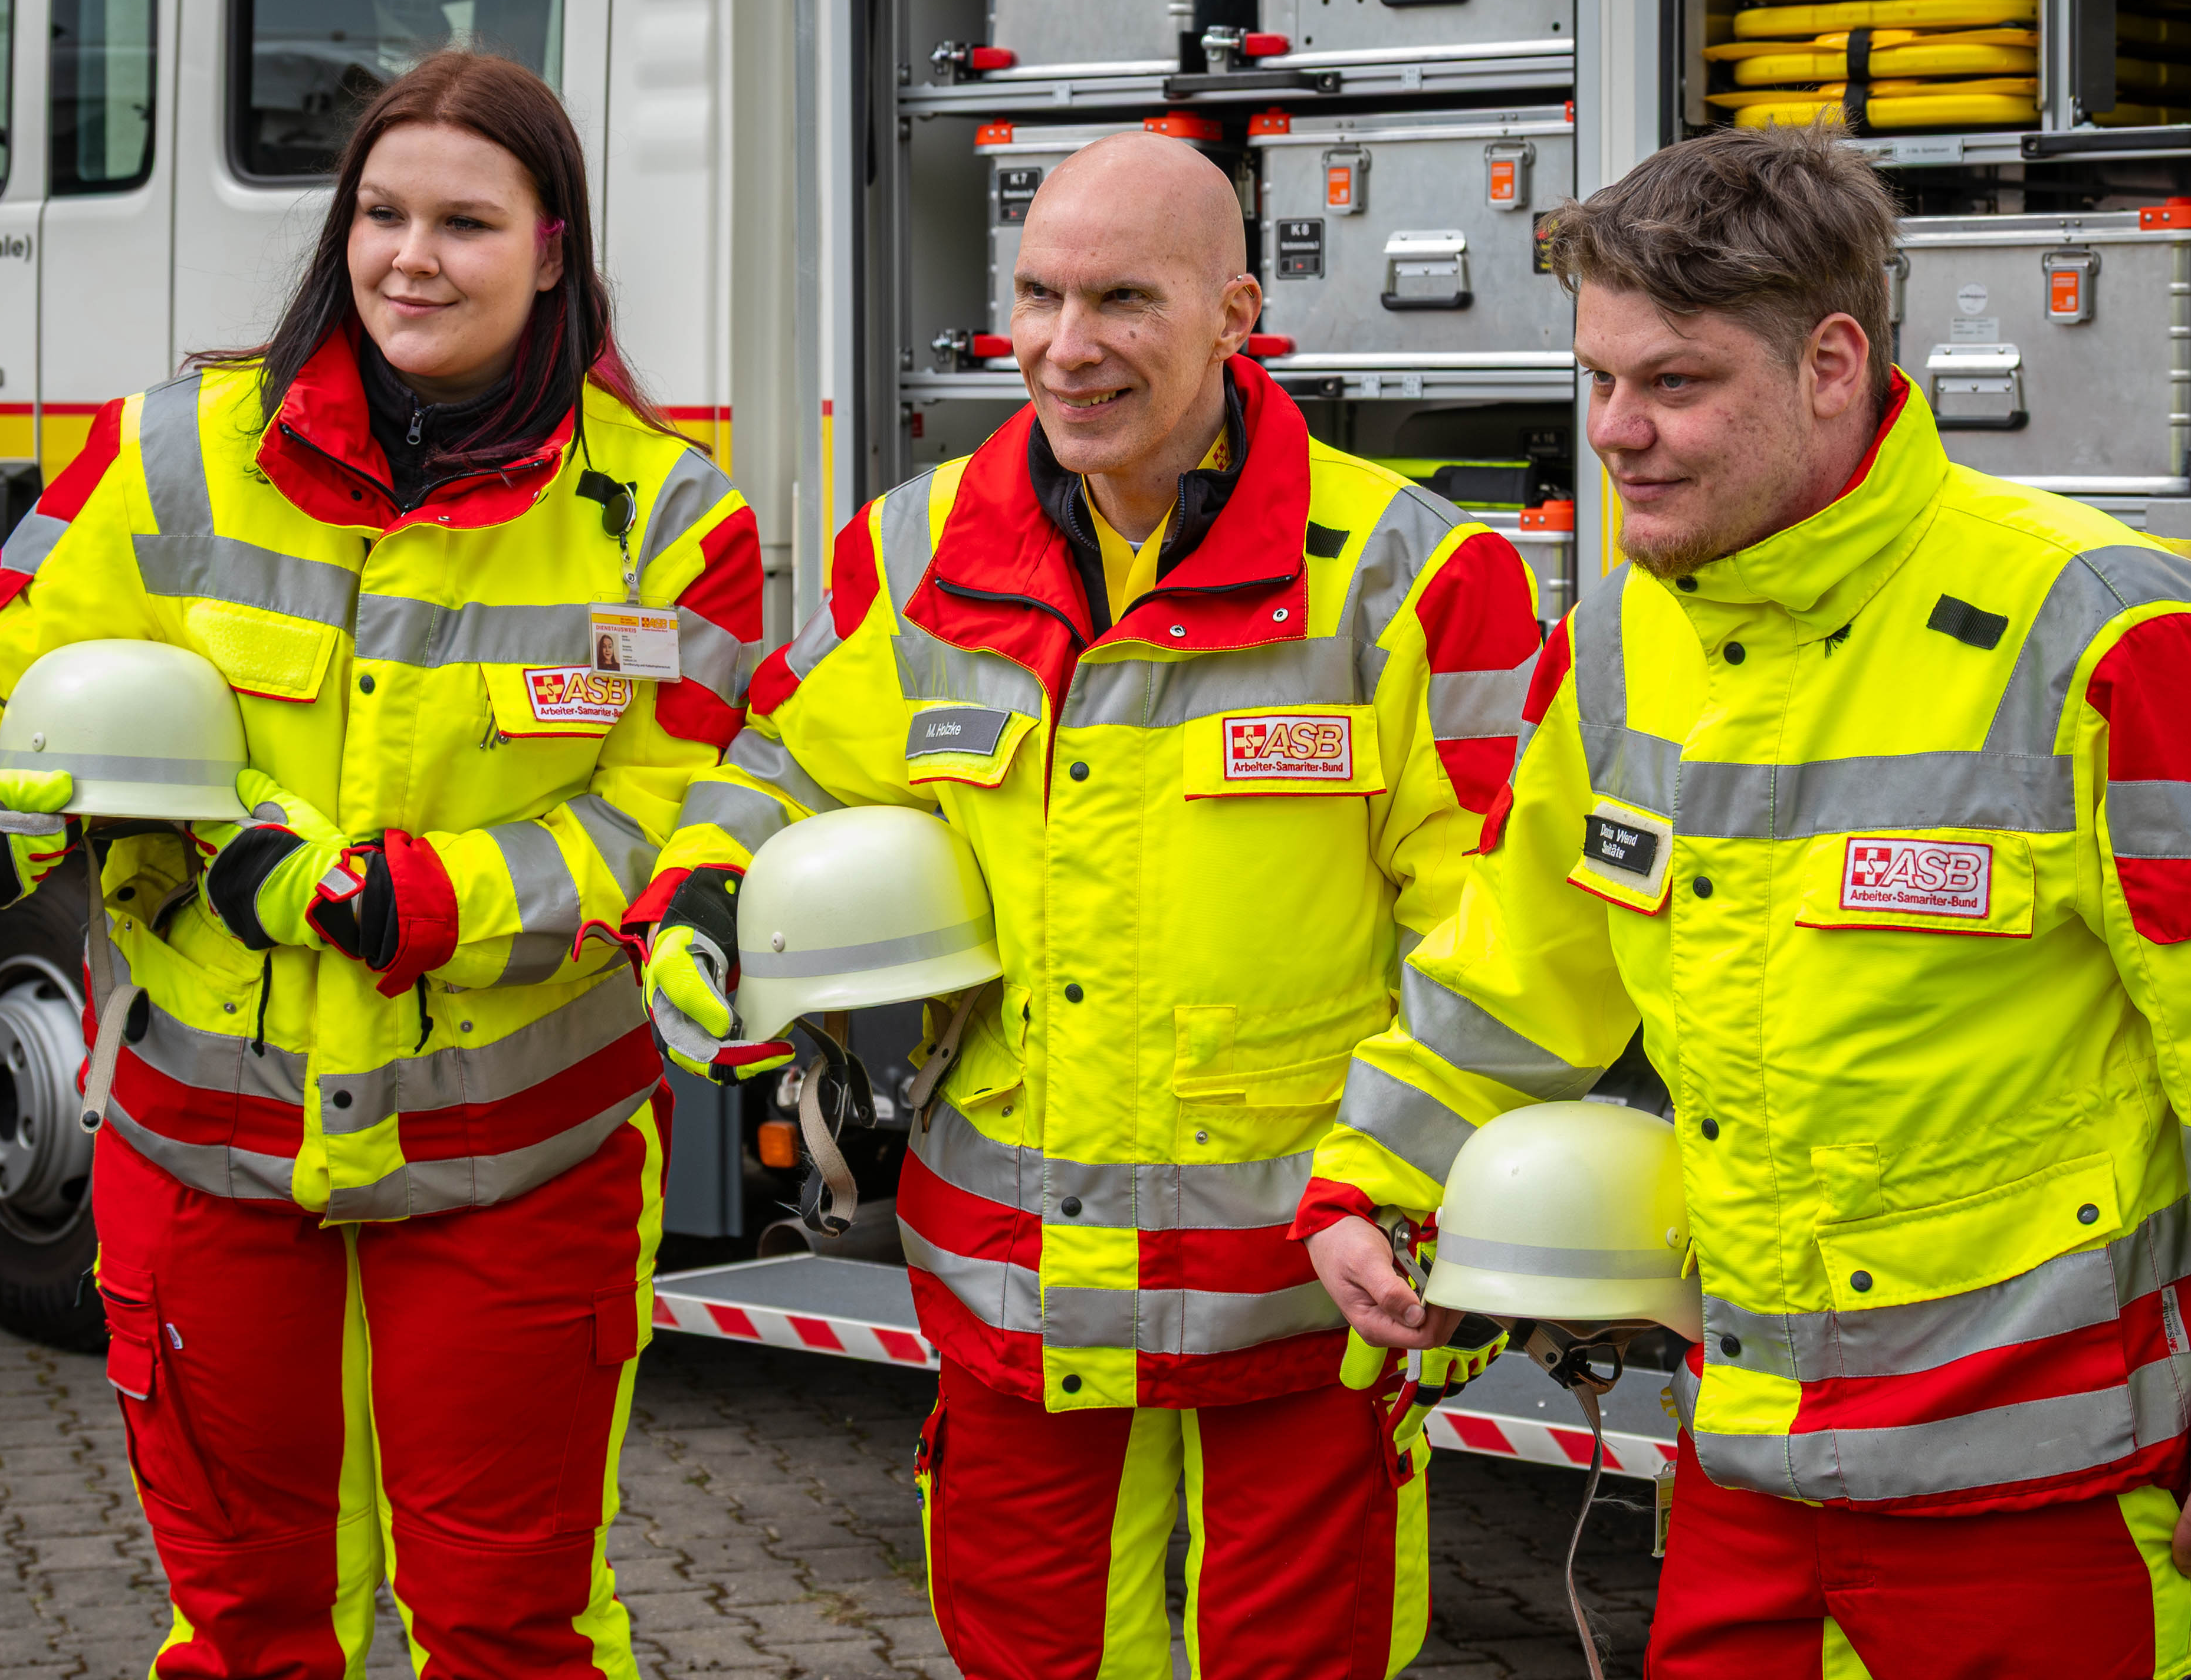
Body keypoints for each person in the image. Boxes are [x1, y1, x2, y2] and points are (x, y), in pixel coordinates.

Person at [1300, 127, 2191, 1680]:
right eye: (1598, 380)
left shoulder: (2110, 637)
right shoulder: (1620, 644)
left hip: (2044, 1497)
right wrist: (1365, 1181)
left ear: (1831, 363)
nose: (1615, 433)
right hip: (1744, 1476)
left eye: (1673, 383)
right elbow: (1517, 974)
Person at [0, 51, 767, 1679]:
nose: (413, 256)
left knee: (508, 1630)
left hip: (518, 1172)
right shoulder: (176, 448)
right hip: (206, 1152)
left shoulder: (667, 518)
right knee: (247, 1625)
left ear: (554, 247)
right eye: (382, 213)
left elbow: (678, 818)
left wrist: (415, 899)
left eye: (466, 223)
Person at [630, 129, 1543, 1679]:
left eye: (1124, 299)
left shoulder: (1417, 578)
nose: (1067, 348)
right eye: (1038, 297)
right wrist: (709, 897)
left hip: (1303, 1286)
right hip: (1013, 1280)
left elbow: (1499, 925)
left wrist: (1419, 1184)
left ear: (1239, 318)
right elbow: (784, 756)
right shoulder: (913, 556)